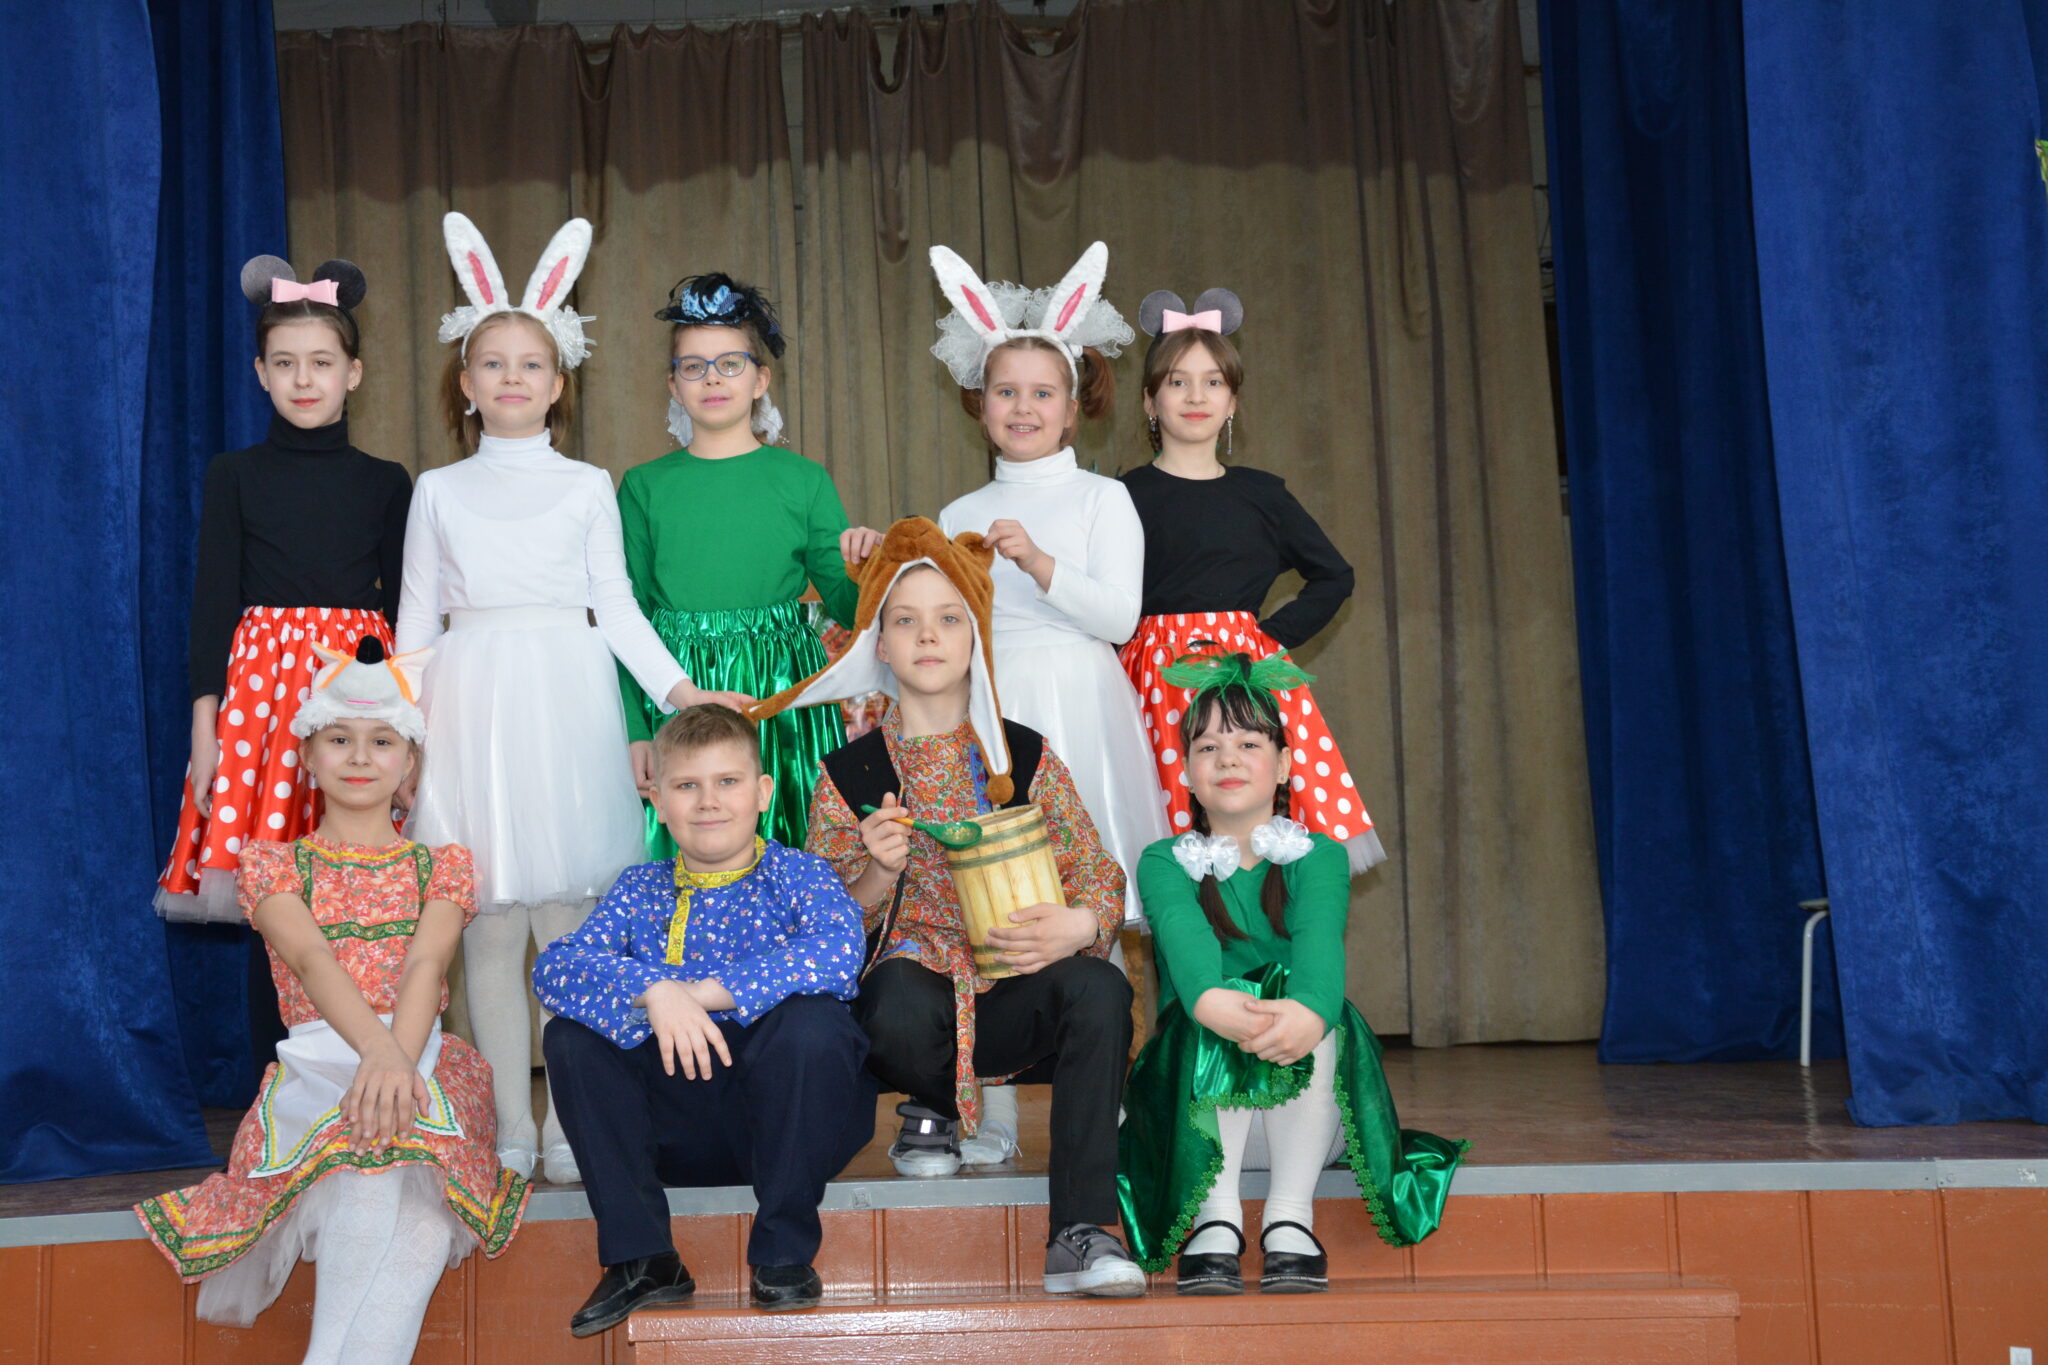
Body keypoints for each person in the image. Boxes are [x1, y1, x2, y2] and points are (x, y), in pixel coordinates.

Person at [397, 213, 715, 1185]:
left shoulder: (586, 485)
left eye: (530, 364)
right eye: (492, 364)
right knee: (488, 927)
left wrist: (680, 694)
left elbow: (615, 606)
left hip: (565, 700)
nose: (512, 378)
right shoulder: (437, 489)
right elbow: (415, 621)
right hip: (471, 704)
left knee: (568, 929)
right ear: (465, 381)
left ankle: (575, 1122)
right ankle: (509, 1123)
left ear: (558, 381)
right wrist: (404, 734)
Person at [754, 517, 1147, 1298]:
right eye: (905, 621)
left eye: (947, 618)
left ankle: (1081, 1228)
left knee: (1101, 988)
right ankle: (929, 1103)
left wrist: (1079, 924)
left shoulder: (1022, 756)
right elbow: (817, 928)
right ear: (880, 644)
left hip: (1012, 997)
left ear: (976, 638)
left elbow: (1098, 875)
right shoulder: (850, 773)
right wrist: (874, 873)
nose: (927, 636)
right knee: (896, 994)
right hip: (909, 1016)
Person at [137, 639, 527, 1364]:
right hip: (321, 1069)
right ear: (307, 756)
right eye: (339, 739)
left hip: (425, 1062)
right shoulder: (274, 865)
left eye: (382, 741)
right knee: (375, 1179)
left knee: (416, 1217)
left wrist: (395, 1061)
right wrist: (377, 1057)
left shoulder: (441, 866)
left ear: (409, 763)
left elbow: (425, 964)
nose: (360, 757)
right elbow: (314, 962)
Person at [1116, 647, 1464, 1294]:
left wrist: (1306, 1014)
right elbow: (1192, 957)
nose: (1227, 759)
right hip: (1199, 1118)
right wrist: (1219, 1006)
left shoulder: (1320, 855)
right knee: (1216, 1001)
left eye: (1248, 743)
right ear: (1186, 771)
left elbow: (1320, 951)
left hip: (1304, 1111)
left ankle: (1290, 1216)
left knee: (1315, 1006)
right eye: (1208, 747)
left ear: (1282, 764)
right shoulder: (1164, 860)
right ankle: (1216, 1217)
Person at [533, 704, 873, 1332]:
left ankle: (783, 1254)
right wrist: (656, 989)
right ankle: (644, 1259)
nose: (709, 801)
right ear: (659, 802)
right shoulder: (638, 887)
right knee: (570, 1037)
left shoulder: (800, 873)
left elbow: (837, 951)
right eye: (687, 785)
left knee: (816, 1024)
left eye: (728, 782)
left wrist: (702, 994)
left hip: (781, 1127)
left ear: (762, 793)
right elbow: (556, 968)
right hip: (674, 1127)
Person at [157, 254, 411, 924]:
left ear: (353, 372)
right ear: (260, 372)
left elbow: (406, 614)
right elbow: (212, 605)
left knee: (354, 893)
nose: (304, 379)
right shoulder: (233, 474)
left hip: (356, 690)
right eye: (285, 362)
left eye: (322, 362)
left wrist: (414, 736)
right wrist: (206, 734)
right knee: (271, 890)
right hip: (261, 703)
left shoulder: (386, 481)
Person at [1119, 290, 1384, 870]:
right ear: (1149, 400)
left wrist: (1267, 639)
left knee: (1258, 840)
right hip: (1153, 683)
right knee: (1170, 830)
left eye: (1213, 382)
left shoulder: (1262, 494)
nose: (1196, 396)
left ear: (1233, 401)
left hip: (1245, 678)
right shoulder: (1121, 496)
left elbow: (1334, 575)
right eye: (1178, 382)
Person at [617, 273, 857, 855]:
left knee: (791, 849)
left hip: (779, 691)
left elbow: (852, 607)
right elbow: (627, 616)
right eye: (693, 366)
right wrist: (636, 728)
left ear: (760, 379)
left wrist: (872, 566)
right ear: (673, 386)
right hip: (679, 687)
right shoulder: (643, 486)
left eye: (730, 363)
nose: (712, 378)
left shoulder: (804, 480)